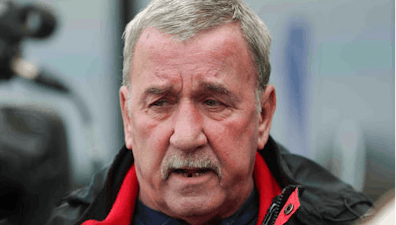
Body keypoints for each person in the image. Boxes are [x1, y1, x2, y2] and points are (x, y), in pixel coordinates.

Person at [47, 0, 373, 224]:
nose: (187, 136)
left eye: (213, 102)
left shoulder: (348, 219)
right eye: (160, 103)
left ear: (263, 115)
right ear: (128, 118)